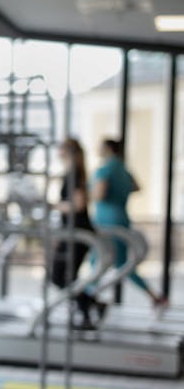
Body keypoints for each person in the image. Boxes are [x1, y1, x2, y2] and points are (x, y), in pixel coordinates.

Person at [91, 138, 166, 308]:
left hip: (106, 220)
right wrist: (120, 192)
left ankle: (87, 298)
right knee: (123, 264)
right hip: (121, 217)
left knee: (98, 261)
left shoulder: (104, 170)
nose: (98, 150)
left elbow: (99, 195)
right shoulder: (123, 170)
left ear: (109, 149)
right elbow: (137, 187)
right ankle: (155, 297)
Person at [50, 138, 96, 328]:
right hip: (73, 232)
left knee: (61, 276)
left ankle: (89, 309)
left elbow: (78, 204)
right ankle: (91, 305)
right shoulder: (73, 172)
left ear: (67, 151)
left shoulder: (74, 174)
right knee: (64, 276)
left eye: (60, 148)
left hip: (77, 232)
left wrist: (54, 206)